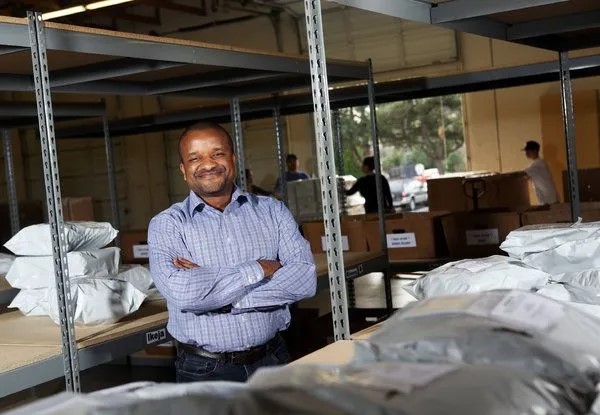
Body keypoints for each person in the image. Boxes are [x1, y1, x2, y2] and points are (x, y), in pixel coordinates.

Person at [148, 121, 316, 383]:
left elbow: (304, 279)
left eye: (217, 153)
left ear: (233, 159)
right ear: (183, 170)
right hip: (204, 370)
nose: (208, 164)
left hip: (273, 360)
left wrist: (218, 297)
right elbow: (184, 294)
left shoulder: (273, 211)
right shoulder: (168, 224)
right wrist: (260, 268)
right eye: (195, 158)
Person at [523, 140, 558, 205]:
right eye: (525, 151)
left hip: (549, 200)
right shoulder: (537, 163)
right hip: (548, 199)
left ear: (535, 150)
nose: (526, 153)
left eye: (528, 150)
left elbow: (520, 174)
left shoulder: (538, 164)